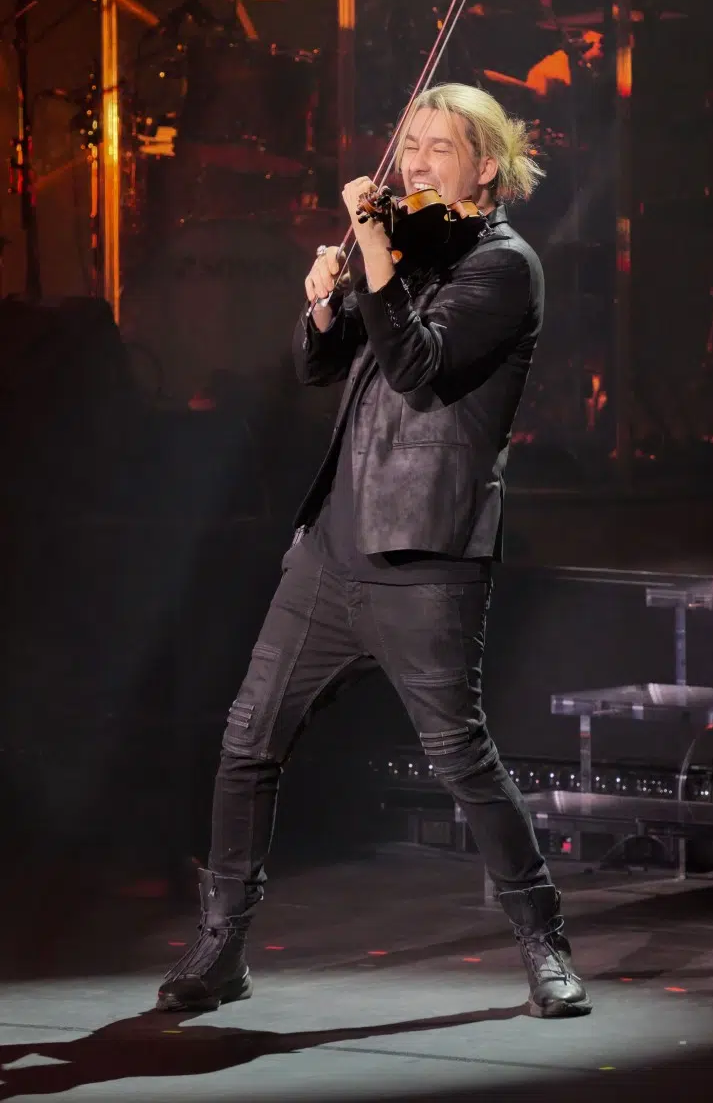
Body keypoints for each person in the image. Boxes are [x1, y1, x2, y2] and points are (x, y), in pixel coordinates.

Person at [157, 83, 591, 1019]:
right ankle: (222, 945)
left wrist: (372, 248)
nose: (415, 164)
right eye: (411, 146)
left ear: (486, 165)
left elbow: (416, 366)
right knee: (247, 742)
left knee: (461, 758)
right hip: (332, 549)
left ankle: (543, 941)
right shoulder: (409, 247)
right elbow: (323, 364)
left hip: (426, 553)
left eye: (440, 149)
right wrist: (323, 304)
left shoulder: (503, 267)